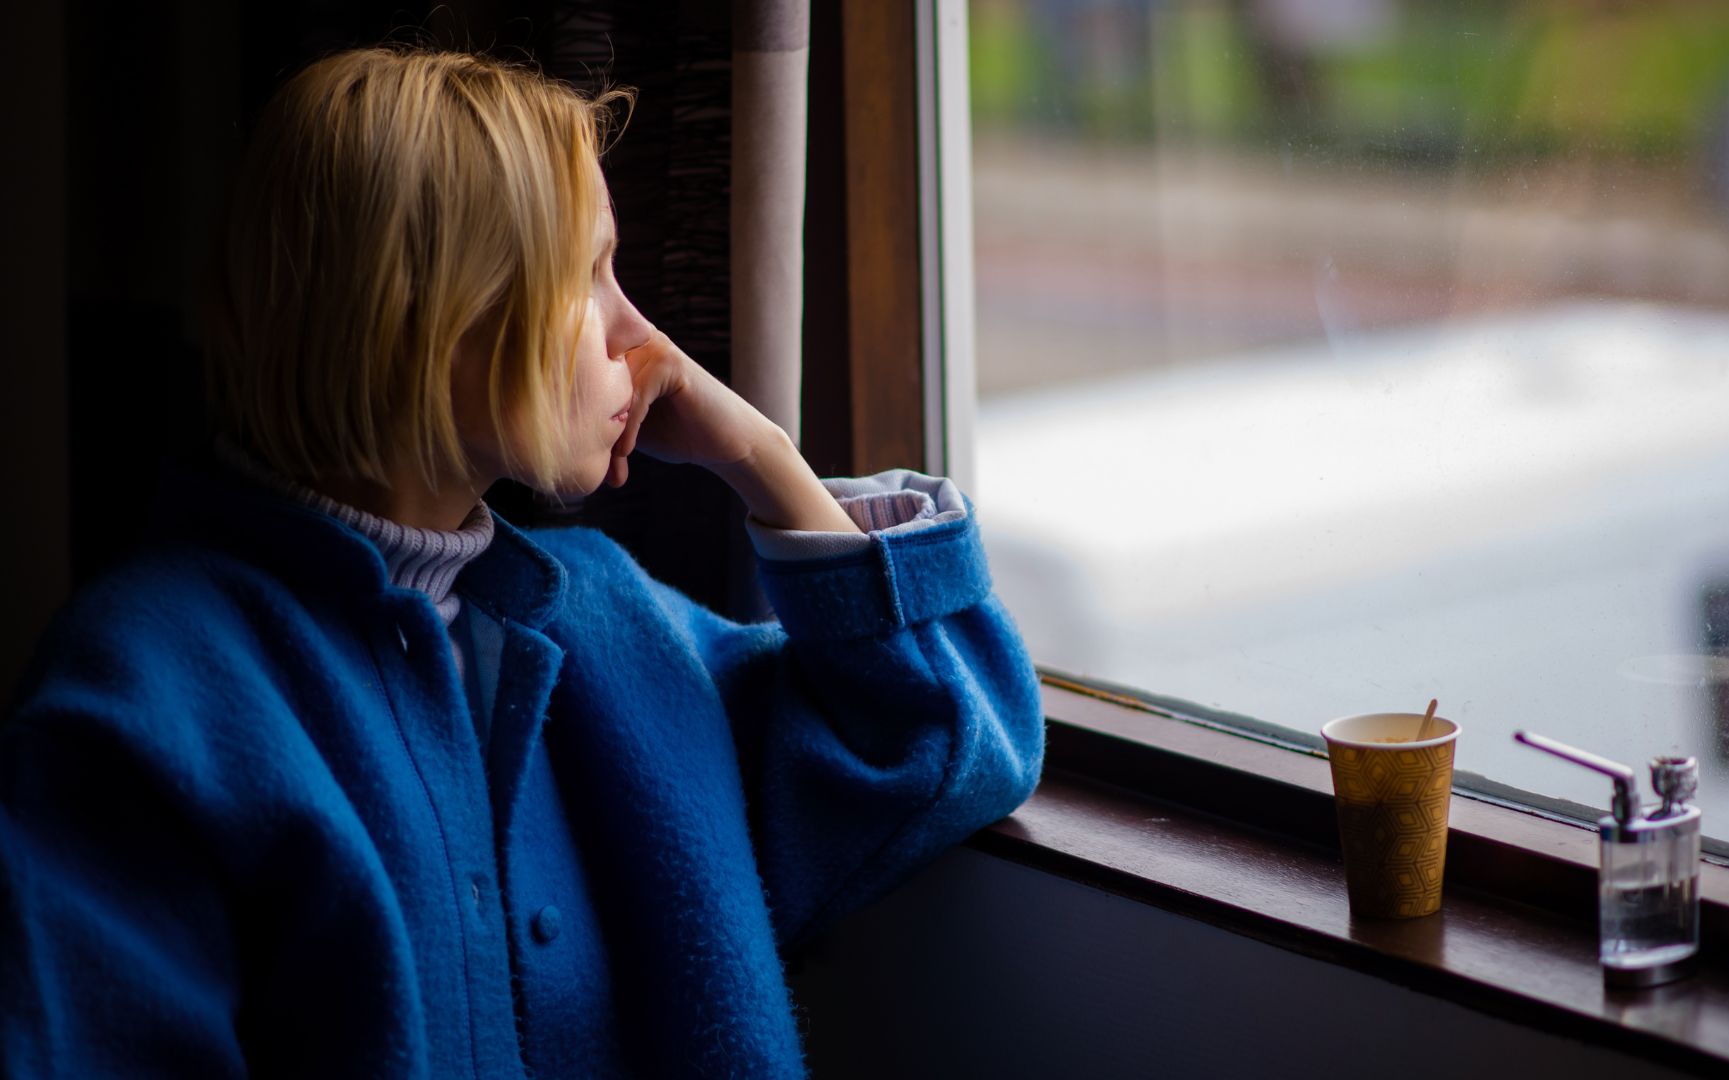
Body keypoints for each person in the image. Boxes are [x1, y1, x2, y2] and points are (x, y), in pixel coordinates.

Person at [0, 46, 1044, 1078]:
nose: (643, 339)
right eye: (588, 276)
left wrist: (764, 459)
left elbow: (946, 744)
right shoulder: (144, 702)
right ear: (434, 316)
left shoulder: (602, 621)